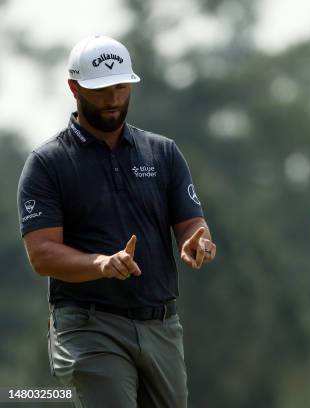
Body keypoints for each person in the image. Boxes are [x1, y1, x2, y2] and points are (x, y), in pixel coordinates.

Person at [17, 35, 216, 408]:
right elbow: (42, 254)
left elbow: (191, 224)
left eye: (121, 87)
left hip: (161, 326)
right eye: (101, 89)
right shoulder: (47, 163)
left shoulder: (163, 153)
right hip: (88, 327)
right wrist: (102, 264)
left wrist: (196, 239)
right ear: (74, 88)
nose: (112, 99)